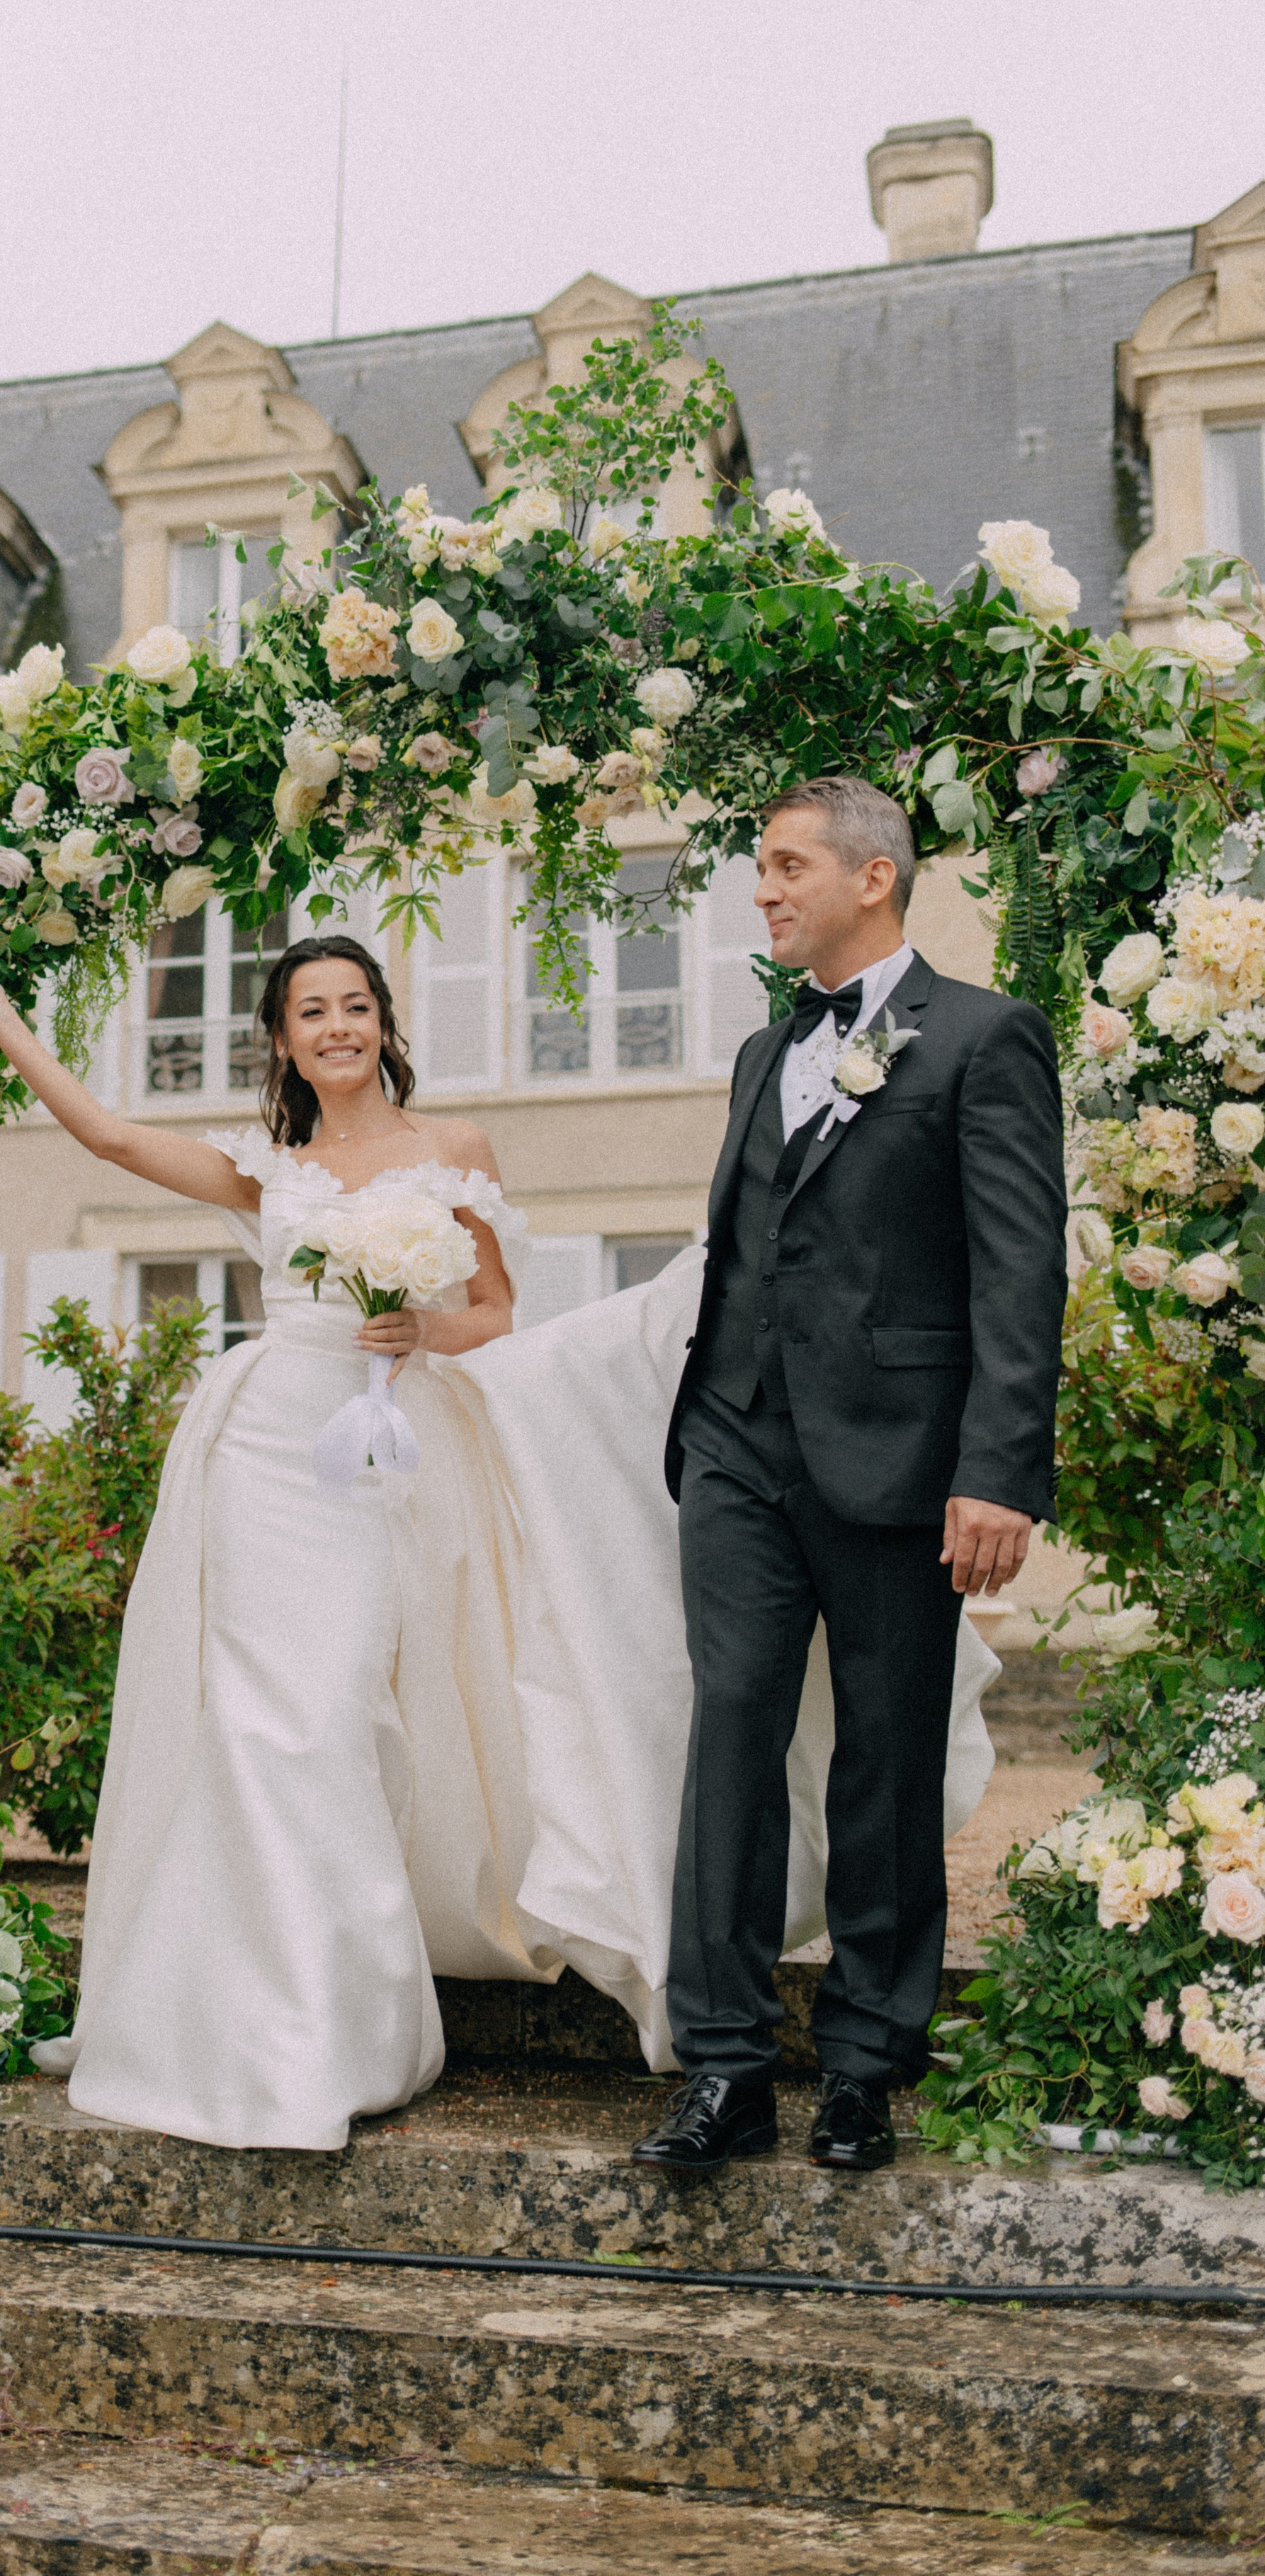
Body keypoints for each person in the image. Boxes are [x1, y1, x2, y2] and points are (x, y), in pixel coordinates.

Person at [0, 916, 1007, 2153]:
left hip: (388, 1460)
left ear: (385, 1022)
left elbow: (492, 1310)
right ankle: (265, 2022)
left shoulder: (455, 1149)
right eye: (312, 1010)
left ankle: (355, 2016)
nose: (338, 1027)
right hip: (269, 1448)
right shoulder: (267, 1166)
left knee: (346, 1714)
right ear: (280, 1038)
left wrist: (417, 1333)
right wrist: (2, 1019)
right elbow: (105, 1134)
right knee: (265, 1728)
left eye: (356, 1005)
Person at [636, 775, 1066, 2181]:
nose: (759, 888)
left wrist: (995, 1467)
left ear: (869, 878)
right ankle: (723, 2065)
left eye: (781, 864)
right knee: (729, 1742)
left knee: (881, 1764)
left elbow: (1016, 1270)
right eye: (758, 865)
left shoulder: (980, 1039)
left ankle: (866, 2065)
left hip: (897, 1463)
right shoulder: (765, 1051)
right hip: (736, 1449)